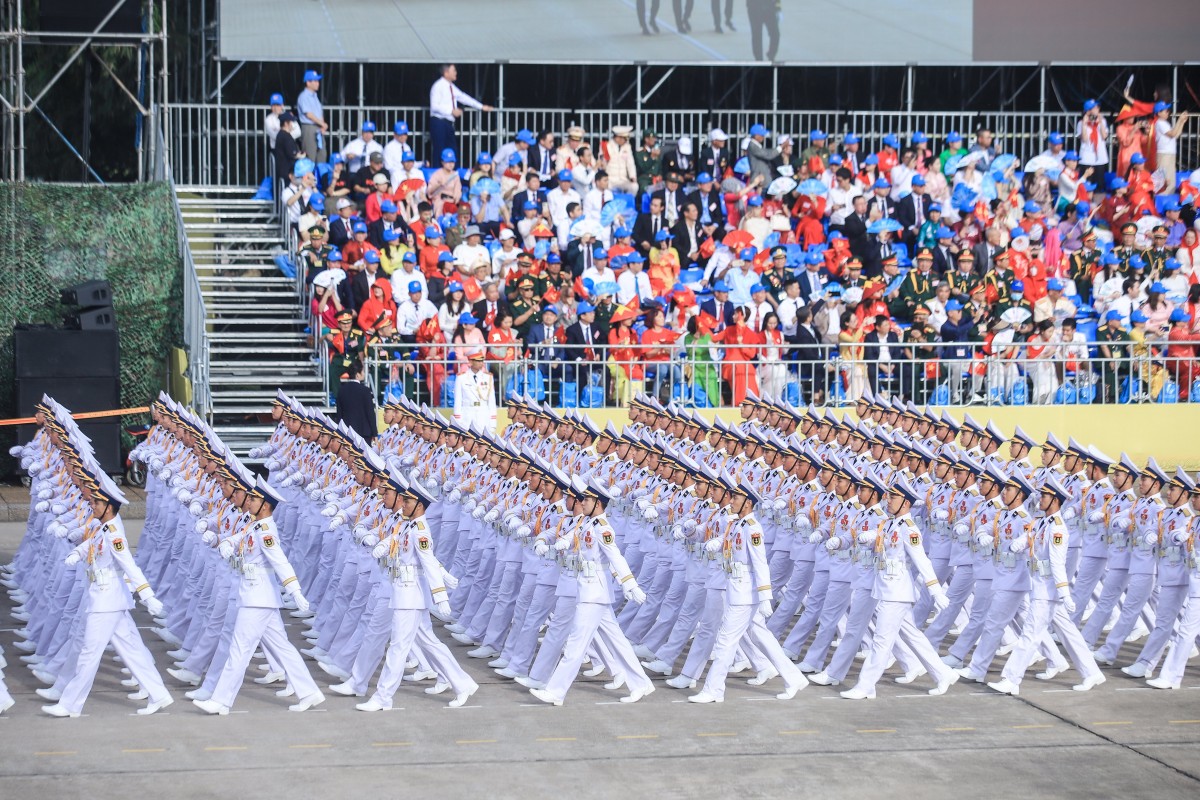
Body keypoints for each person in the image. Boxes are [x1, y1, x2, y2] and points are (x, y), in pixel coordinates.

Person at [41, 474, 173, 718]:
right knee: (131, 651)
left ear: (109, 507)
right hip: (107, 600)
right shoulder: (103, 527)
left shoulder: (115, 534)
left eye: (98, 504)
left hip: (105, 601)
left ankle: (70, 704)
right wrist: (77, 554)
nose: (93, 506)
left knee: (89, 654)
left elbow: (130, 566)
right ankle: (160, 695)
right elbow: (91, 543)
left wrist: (147, 596)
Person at [194, 477, 324, 715]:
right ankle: (309, 692)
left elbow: (280, 561)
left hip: (257, 598)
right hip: (256, 596)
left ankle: (221, 701)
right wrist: (225, 543)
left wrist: (295, 590)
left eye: (254, 499)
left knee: (239, 649)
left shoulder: (266, 531)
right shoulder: (254, 525)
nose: (249, 501)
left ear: (265, 505)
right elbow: (240, 537)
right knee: (282, 649)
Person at [428, 63, 493, 163]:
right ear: (446, 73)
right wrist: (451, 111)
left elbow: (463, 97)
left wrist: (481, 106)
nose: (456, 73)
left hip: (448, 122)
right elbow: (435, 106)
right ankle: (437, 173)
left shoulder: (451, 87)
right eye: (453, 71)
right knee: (439, 149)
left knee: (452, 149)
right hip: (438, 121)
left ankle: (452, 174)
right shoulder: (438, 86)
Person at [452, 352, 498, 430]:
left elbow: (491, 401)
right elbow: (458, 401)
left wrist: (493, 421)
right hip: (467, 414)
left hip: (483, 415)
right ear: (471, 362)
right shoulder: (461, 378)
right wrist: (458, 420)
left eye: (482, 361)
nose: (481, 363)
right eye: (478, 361)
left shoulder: (488, 377)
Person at [336, 361, 378, 443]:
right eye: (362, 371)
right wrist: (375, 433)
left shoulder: (341, 390)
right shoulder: (365, 390)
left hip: (347, 433)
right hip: (364, 433)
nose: (364, 373)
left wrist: (339, 432)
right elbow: (370, 413)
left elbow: (339, 414)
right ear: (357, 375)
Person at [296, 69, 327, 164]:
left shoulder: (315, 96)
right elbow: (309, 114)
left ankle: (321, 178)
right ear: (308, 83)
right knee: (310, 158)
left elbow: (319, 112)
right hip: (309, 128)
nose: (318, 83)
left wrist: (322, 126)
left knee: (322, 156)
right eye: (315, 81)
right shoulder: (303, 96)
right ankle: (309, 178)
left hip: (318, 128)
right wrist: (323, 124)